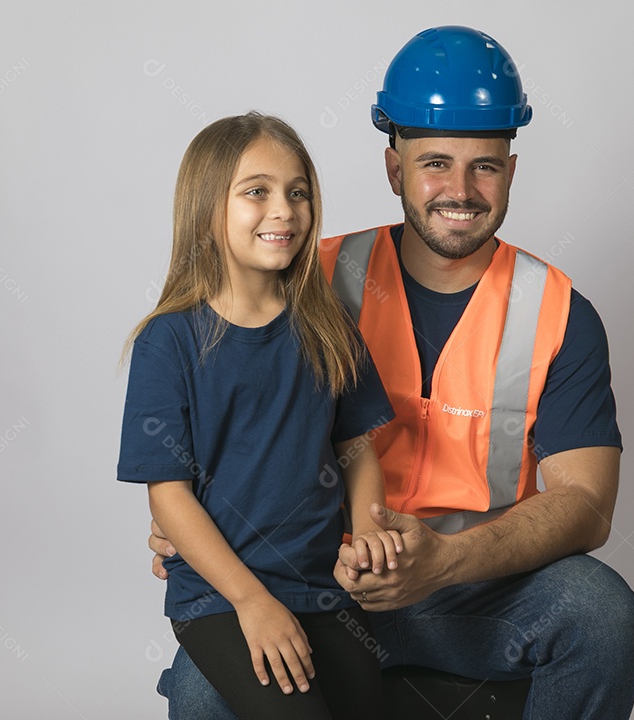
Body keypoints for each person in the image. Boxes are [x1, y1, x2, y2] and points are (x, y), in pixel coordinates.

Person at [152, 27, 634, 719]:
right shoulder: (306, 279)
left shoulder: (559, 312)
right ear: (394, 170)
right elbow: (202, 419)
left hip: (474, 587)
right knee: (205, 696)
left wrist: (444, 560)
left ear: (510, 169)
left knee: (600, 612)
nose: (461, 189)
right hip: (313, 582)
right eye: (436, 162)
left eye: (486, 166)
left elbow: (587, 506)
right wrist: (195, 529)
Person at [118, 112, 401, 720]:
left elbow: (355, 449)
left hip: (324, 590)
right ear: (206, 208)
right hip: (222, 599)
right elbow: (169, 496)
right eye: (257, 192)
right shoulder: (168, 342)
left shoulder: (328, 329)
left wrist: (371, 530)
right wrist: (251, 600)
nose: (285, 210)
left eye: (298, 192)